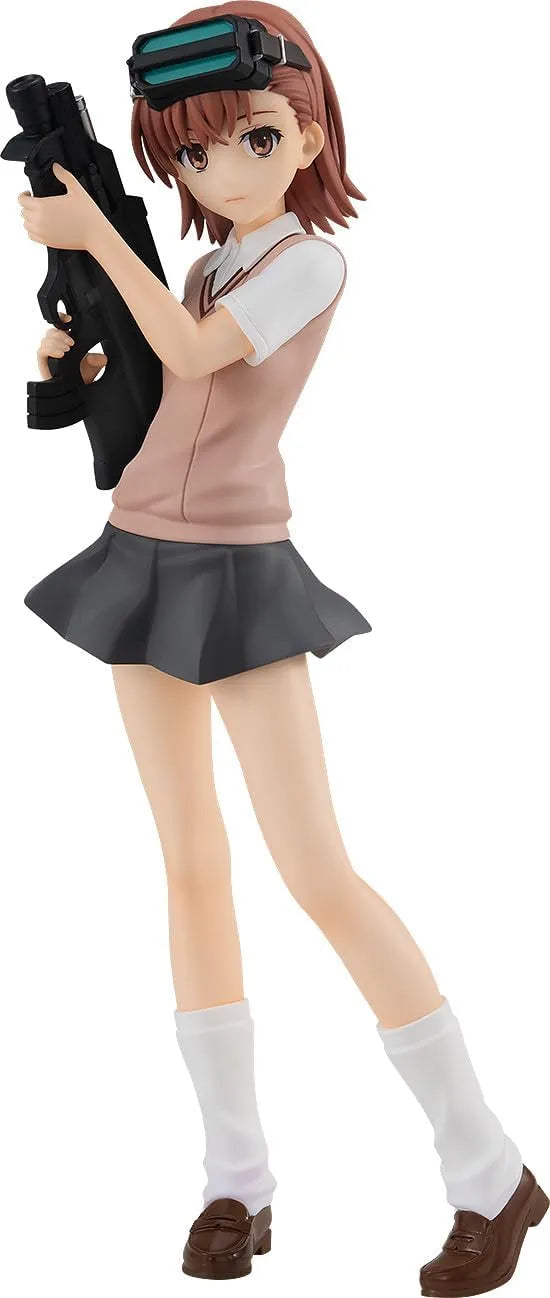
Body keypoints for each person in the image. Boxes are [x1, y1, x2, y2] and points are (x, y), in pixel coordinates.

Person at [18, 4, 547, 1292]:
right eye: (191, 152)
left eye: (252, 138)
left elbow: (201, 352)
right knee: (189, 864)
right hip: (138, 552)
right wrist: (73, 356)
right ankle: (234, 1181)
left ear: (307, 134)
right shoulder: (209, 266)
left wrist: (98, 239)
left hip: (238, 572)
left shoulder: (308, 263)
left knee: (316, 869)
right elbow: (164, 383)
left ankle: (489, 1169)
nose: (220, 169)